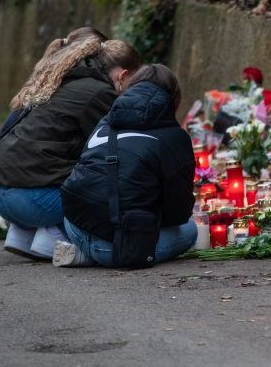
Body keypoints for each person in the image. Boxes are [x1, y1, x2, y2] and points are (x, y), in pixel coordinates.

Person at [0, 28, 141, 259]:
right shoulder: (99, 94)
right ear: (123, 76)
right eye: (134, 82)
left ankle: (23, 233)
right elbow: (114, 152)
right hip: (32, 201)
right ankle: (53, 233)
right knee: (108, 184)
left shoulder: (59, 82)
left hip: (0, 194)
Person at [56, 63, 197, 267]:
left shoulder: (106, 121)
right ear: (174, 98)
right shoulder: (175, 138)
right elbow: (178, 213)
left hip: (76, 226)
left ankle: (85, 253)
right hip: (124, 246)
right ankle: (98, 255)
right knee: (191, 230)